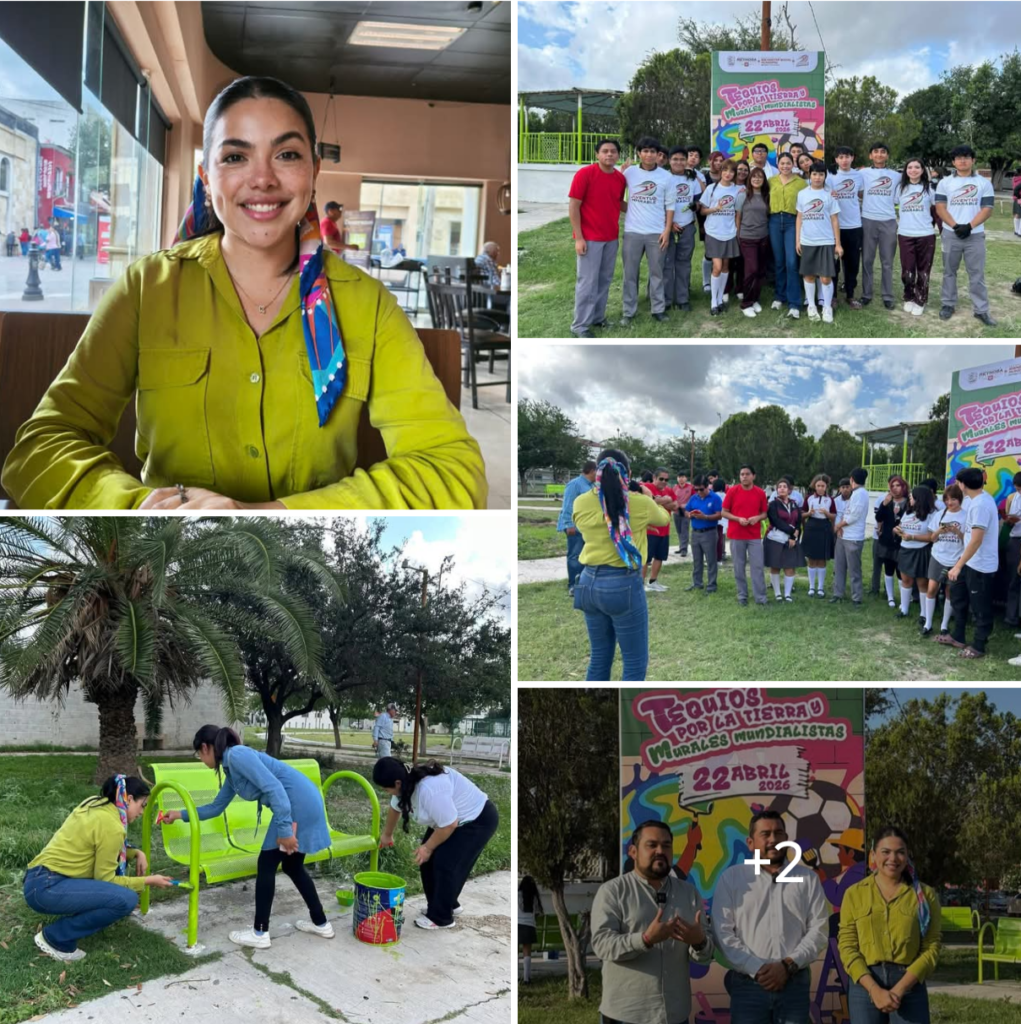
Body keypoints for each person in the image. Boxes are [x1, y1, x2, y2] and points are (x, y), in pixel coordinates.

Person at [1, 76, 486, 511]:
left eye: (287, 154)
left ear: (314, 170)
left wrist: (273, 515)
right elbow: (39, 448)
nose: (262, 179)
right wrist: (141, 507)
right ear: (207, 177)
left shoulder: (368, 304)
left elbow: (452, 471)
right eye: (235, 156)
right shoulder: (146, 289)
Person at [158, 726, 336, 948]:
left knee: (267, 864)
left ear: (205, 747)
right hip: (302, 803)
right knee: (292, 866)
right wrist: (179, 815)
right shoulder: (231, 768)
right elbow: (216, 807)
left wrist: (284, 831)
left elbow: (275, 790)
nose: (201, 760)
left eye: (199, 755)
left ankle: (260, 933)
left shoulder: (238, 755)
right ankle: (321, 923)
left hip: (295, 806)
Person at [23, 775, 174, 962]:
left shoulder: (94, 803)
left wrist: (136, 853)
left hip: (37, 880)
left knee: (116, 895)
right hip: (48, 888)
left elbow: (101, 843)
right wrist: (148, 880)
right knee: (125, 899)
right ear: (128, 799)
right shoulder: (113, 827)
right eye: (142, 805)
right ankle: (56, 938)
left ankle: (63, 928)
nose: (142, 812)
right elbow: (106, 880)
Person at [712, 810, 829, 1024]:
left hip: (794, 983)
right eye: (765, 834)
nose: (773, 839)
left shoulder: (808, 879)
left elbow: (819, 929)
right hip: (748, 987)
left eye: (778, 833)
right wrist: (756, 969)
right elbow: (723, 934)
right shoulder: (732, 879)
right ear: (750, 842)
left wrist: (787, 966)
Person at [592, 819, 714, 1024]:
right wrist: (646, 939)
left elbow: (705, 956)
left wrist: (699, 941)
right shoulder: (613, 891)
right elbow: (602, 945)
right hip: (626, 1015)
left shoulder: (689, 893)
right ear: (633, 851)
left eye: (666, 845)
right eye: (652, 845)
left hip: (675, 1014)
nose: (660, 851)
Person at [571, 448, 669, 680]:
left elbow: (599, 523)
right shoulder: (640, 503)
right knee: (634, 662)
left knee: (599, 657)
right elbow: (663, 518)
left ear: (597, 472)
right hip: (622, 583)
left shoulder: (581, 502)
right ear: (629, 473)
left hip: (587, 583)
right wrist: (648, 495)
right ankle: (626, 715)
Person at [375, 757, 497, 930]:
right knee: (426, 861)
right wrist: (387, 835)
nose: (385, 791)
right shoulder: (405, 785)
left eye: (385, 788)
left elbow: (450, 824)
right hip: (448, 820)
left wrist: (427, 847)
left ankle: (442, 917)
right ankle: (445, 904)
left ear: (397, 782)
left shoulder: (429, 789)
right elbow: (396, 807)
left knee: (445, 863)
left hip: (477, 819)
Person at [839, 826, 940, 1024]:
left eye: (900, 852)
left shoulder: (925, 896)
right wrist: (874, 990)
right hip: (865, 984)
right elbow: (847, 946)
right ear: (873, 855)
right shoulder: (854, 893)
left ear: (907, 856)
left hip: (909, 984)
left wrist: (900, 988)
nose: (893, 859)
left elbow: (932, 947)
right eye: (885, 852)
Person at [568, 139, 627, 338]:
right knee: (587, 281)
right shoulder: (584, 174)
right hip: (590, 238)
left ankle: (598, 318)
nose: (609, 155)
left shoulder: (619, 179)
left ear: (618, 155)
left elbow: (619, 203)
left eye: (613, 151)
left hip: (611, 237)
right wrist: (579, 237)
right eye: (605, 151)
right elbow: (574, 206)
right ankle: (580, 326)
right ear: (597, 154)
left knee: (604, 280)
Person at [935, 144, 997, 326]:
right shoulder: (945, 182)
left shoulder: (984, 183)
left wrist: (970, 226)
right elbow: (940, 207)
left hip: (975, 235)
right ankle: (948, 304)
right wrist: (955, 226)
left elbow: (987, 209)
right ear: (953, 162)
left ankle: (981, 310)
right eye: (958, 157)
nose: (962, 160)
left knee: (977, 274)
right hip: (950, 234)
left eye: (966, 157)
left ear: (973, 160)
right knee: (949, 272)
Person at [941, 466, 999, 658]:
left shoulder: (981, 505)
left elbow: (976, 539)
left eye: (958, 482)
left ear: (963, 484)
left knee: (980, 606)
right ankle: (958, 635)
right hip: (969, 561)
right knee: (958, 594)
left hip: (981, 565)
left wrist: (958, 565)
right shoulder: (975, 500)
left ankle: (979, 646)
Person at [620, 137, 674, 326]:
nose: (649, 154)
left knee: (657, 273)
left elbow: (670, 206)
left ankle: (658, 310)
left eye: (653, 151)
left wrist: (667, 231)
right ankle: (628, 311)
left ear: (658, 155)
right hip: (632, 231)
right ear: (639, 153)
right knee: (630, 273)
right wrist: (634, 209)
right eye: (645, 151)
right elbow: (619, 199)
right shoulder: (630, 173)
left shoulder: (666, 177)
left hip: (656, 232)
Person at [796, 161, 842, 324]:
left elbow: (835, 220)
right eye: (814, 174)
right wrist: (798, 240)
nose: (817, 177)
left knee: (825, 278)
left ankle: (827, 307)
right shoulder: (802, 194)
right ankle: (812, 307)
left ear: (824, 176)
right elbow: (800, 217)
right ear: (809, 175)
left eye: (821, 174)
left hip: (826, 241)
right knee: (808, 275)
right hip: (807, 241)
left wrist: (837, 244)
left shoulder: (829, 195)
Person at [700, 159, 744, 316]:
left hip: (730, 232)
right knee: (717, 267)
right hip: (713, 232)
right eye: (725, 170)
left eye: (731, 171)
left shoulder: (739, 189)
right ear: (721, 171)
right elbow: (702, 211)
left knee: (726, 267)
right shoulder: (712, 188)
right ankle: (713, 301)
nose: (728, 174)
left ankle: (720, 299)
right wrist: (715, 208)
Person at [921, 484, 966, 637]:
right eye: (947, 499)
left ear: (960, 499)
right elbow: (932, 538)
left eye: (953, 499)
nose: (950, 502)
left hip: (956, 559)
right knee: (931, 589)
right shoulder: (940, 514)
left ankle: (944, 625)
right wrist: (940, 530)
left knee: (949, 591)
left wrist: (957, 531)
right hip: (938, 556)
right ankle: (928, 623)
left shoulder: (966, 516)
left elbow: (969, 541)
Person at [895, 159, 937, 316]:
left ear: (922, 170)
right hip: (905, 234)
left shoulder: (930, 189)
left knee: (923, 270)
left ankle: (920, 299)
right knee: (907, 270)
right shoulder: (900, 188)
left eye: (917, 167)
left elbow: (937, 210)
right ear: (906, 170)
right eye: (910, 167)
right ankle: (909, 296)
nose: (913, 170)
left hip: (925, 234)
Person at [723, 464, 769, 607]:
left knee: (757, 567)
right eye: (742, 474)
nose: (744, 476)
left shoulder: (760, 493)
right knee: (739, 566)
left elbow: (764, 513)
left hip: (754, 535)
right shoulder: (732, 491)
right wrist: (737, 519)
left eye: (747, 474)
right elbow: (724, 512)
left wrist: (757, 518)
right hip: (736, 534)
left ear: (753, 476)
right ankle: (742, 595)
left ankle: (760, 598)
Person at [859, 142, 898, 310]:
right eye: (876, 152)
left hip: (889, 221)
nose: (879, 155)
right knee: (867, 259)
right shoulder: (862, 173)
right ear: (870, 155)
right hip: (867, 219)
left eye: (883, 152)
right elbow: (854, 188)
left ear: (887, 156)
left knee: (887, 261)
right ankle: (866, 294)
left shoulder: (896, 175)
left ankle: (887, 295)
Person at [769, 152, 807, 318]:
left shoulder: (801, 183)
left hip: (793, 222)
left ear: (793, 164)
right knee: (779, 261)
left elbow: (811, 198)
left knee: (792, 262)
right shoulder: (771, 181)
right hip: (775, 221)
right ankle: (780, 296)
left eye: (788, 163)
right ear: (778, 164)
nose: (785, 166)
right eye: (782, 163)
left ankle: (794, 302)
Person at [664, 147, 701, 313]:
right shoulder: (663, 178)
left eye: (682, 159)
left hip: (687, 226)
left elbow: (698, 201)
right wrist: (669, 224)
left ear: (686, 161)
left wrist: (696, 206)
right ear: (669, 161)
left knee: (684, 264)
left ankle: (682, 298)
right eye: (675, 159)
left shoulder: (692, 179)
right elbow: (658, 205)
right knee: (666, 264)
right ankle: (665, 299)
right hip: (666, 228)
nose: (678, 162)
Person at [828, 146, 865, 308]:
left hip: (854, 226)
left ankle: (850, 295)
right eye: (841, 157)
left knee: (852, 263)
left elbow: (861, 195)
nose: (844, 160)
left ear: (852, 158)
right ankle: (833, 296)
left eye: (847, 157)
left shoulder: (859, 176)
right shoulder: (829, 177)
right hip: (833, 226)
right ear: (836, 159)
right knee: (833, 264)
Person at [894, 486, 934, 622]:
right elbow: (902, 525)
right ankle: (904, 609)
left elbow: (931, 537)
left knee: (922, 583)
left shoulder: (931, 515)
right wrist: (898, 530)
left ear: (919, 499)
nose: (909, 499)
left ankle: (923, 614)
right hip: (905, 550)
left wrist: (912, 537)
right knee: (906, 580)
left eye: (912, 497)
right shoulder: (908, 512)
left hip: (921, 551)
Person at [558, 460, 598, 595]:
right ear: (592, 471)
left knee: (585, 555)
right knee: (575, 556)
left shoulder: (592, 485)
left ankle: (583, 583)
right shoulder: (575, 484)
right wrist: (569, 524)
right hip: (574, 527)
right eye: (598, 471)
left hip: (586, 527)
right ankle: (573, 586)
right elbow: (567, 505)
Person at [832, 467, 870, 606]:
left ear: (852, 480)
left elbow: (854, 516)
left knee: (854, 568)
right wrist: (840, 527)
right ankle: (838, 593)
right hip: (843, 536)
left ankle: (856, 597)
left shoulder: (861, 494)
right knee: (839, 566)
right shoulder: (855, 494)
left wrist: (839, 525)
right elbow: (846, 513)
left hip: (853, 537)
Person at [764, 478, 805, 602]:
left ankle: (787, 594)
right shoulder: (773, 504)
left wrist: (793, 537)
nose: (781, 488)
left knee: (789, 567)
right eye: (779, 487)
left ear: (789, 490)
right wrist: (792, 531)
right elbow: (776, 521)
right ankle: (777, 594)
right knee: (775, 566)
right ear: (777, 490)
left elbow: (798, 522)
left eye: (784, 486)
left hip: (790, 541)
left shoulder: (794, 504)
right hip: (774, 539)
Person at [739, 166, 771, 318]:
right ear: (749, 179)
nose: (757, 179)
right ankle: (746, 303)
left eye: (760, 177)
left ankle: (755, 299)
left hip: (763, 237)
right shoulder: (743, 195)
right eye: (754, 177)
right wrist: (738, 235)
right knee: (751, 270)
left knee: (760, 271)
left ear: (764, 180)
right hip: (747, 238)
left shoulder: (766, 195)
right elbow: (737, 217)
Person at [684, 473, 723, 595]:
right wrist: (689, 515)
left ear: (707, 487)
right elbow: (686, 510)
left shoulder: (715, 498)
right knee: (697, 560)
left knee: (711, 560)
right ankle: (697, 583)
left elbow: (719, 514)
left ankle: (711, 585)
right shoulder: (694, 498)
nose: (699, 492)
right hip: (695, 532)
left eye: (701, 489)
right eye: (696, 489)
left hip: (709, 532)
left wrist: (705, 517)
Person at [874, 476, 910, 608]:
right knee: (888, 569)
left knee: (901, 572)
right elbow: (878, 517)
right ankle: (890, 597)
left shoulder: (908, 503)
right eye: (892, 486)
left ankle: (903, 598)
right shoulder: (887, 501)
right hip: (887, 541)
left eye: (898, 485)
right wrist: (884, 504)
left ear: (903, 487)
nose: (895, 488)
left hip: (902, 541)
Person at [644, 467, 678, 592]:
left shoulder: (669, 490)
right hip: (650, 530)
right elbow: (648, 501)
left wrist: (658, 501)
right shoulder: (646, 487)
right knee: (645, 559)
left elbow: (675, 506)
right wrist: (667, 500)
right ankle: (640, 584)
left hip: (665, 529)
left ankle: (653, 581)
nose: (664, 481)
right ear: (654, 478)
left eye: (666, 479)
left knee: (660, 557)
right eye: (661, 479)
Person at [803, 473, 836, 597]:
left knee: (822, 559)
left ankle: (820, 588)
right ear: (814, 486)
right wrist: (809, 513)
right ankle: (811, 587)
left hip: (824, 528)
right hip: (811, 527)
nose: (821, 488)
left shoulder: (830, 500)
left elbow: (834, 516)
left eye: (823, 486)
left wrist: (827, 513)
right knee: (811, 559)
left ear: (826, 486)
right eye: (818, 486)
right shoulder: (809, 498)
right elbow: (801, 514)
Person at [1004, 472, 1021, 628]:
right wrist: (1009, 520)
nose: (1019, 491)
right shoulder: (1012, 497)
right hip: (1014, 539)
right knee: (1013, 580)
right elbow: (1008, 519)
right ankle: (1011, 617)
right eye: (1017, 488)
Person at [519, 876, 543, 984]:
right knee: (527, 952)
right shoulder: (534, 897)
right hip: (529, 926)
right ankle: (526, 978)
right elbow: (538, 912)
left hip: (517, 924)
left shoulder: (517, 894)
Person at [671, 469, 694, 556]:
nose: (681, 479)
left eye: (683, 477)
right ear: (677, 478)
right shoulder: (675, 488)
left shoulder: (690, 487)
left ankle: (684, 549)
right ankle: (681, 547)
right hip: (677, 512)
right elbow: (672, 498)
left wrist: (687, 506)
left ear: (686, 478)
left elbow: (694, 499)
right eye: (679, 477)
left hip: (686, 512)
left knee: (684, 530)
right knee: (679, 530)